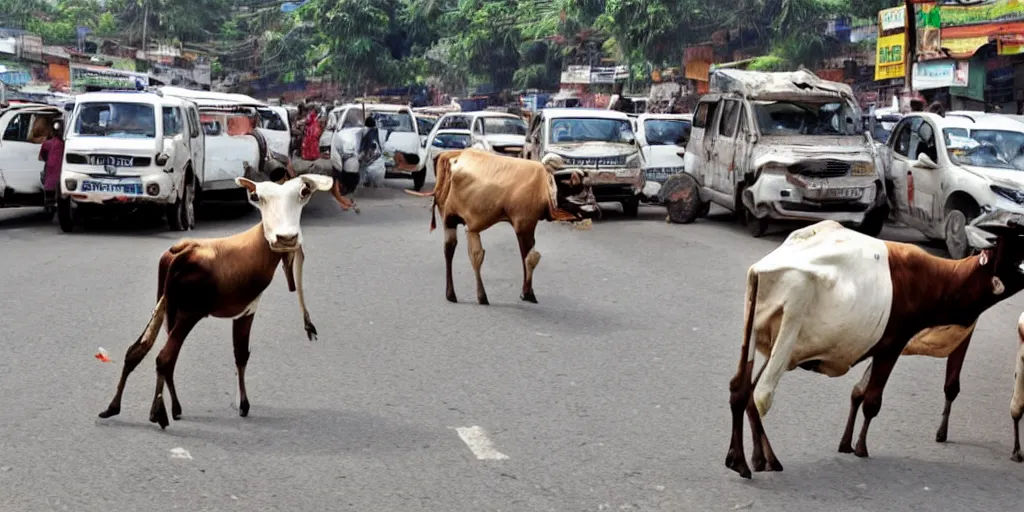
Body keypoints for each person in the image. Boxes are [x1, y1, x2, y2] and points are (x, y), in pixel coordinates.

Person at [38, 120, 65, 211]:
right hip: (63, 169)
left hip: (51, 168)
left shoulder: (47, 143)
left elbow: (41, 157)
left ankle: (49, 203)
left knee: (49, 184)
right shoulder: (66, 144)